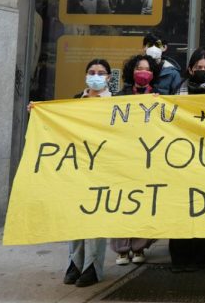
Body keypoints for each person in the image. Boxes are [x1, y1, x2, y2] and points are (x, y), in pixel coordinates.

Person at [167, 49, 205, 272]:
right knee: (181, 209)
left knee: (204, 208)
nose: (202, 71)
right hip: (181, 158)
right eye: (198, 67)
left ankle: (201, 258)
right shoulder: (176, 90)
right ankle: (179, 259)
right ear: (190, 69)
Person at [109, 53, 162, 266]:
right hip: (124, 157)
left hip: (148, 157)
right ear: (132, 71)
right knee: (121, 202)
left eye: (147, 69)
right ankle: (122, 249)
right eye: (139, 68)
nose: (143, 72)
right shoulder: (119, 96)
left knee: (144, 202)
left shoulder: (160, 97)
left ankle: (140, 247)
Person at [63, 58, 113, 286]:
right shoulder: (76, 101)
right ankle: (75, 262)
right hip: (79, 165)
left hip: (104, 166)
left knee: (96, 217)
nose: (96, 76)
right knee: (76, 214)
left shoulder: (119, 102)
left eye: (101, 72)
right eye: (92, 71)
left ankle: (92, 267)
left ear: (109, 78)